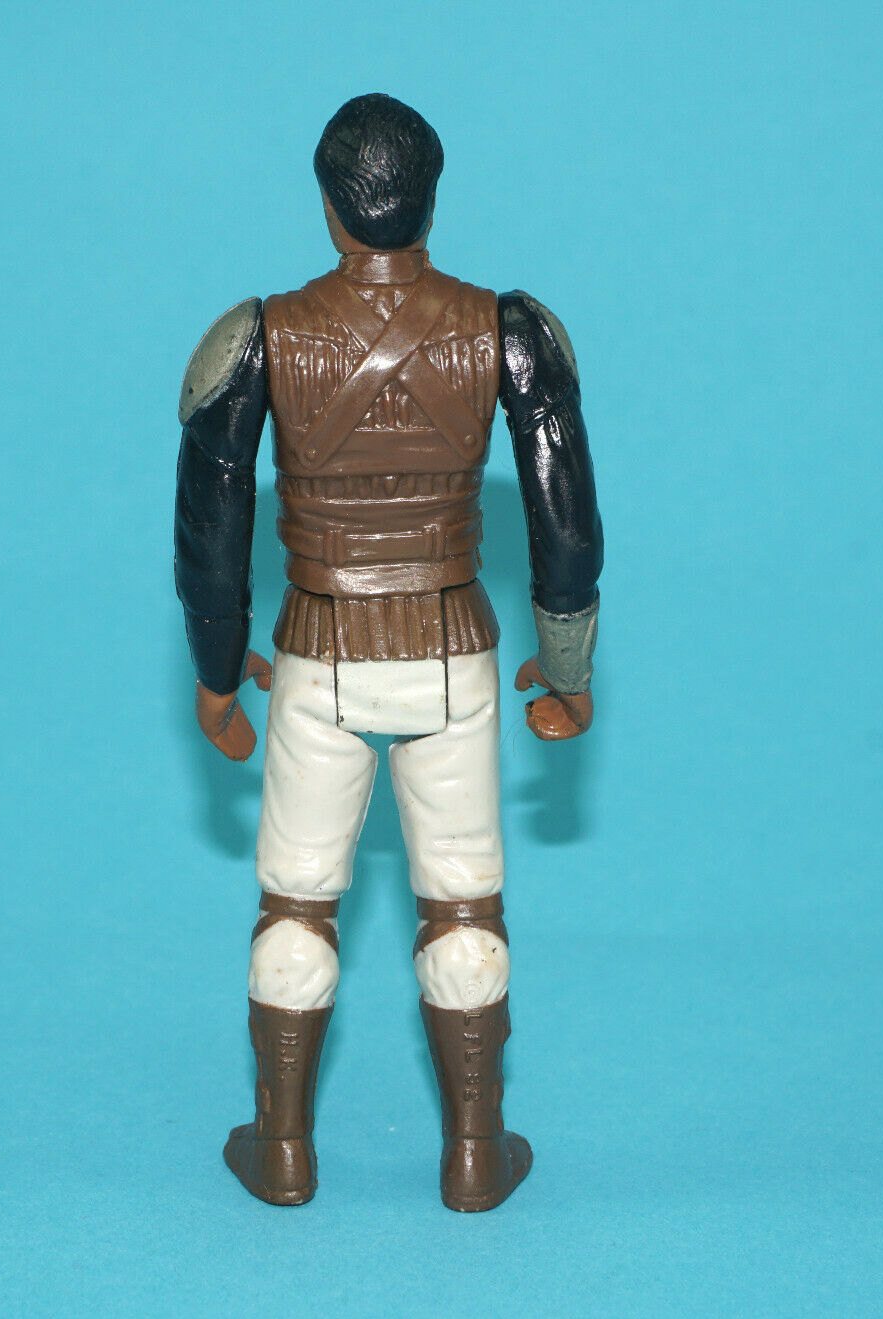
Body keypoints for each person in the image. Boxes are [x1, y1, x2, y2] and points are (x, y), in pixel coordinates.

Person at [174, 93, 602, 1211]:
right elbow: (564, 520)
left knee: (296, 906)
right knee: (463, 908)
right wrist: (567, 669)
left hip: (317, 656)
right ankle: (474, 1156)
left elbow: (212, 531)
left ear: (328, 207)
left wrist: (217, 678)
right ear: (430, 201)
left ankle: (282, 1150)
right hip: (454, 655)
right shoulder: (509, 332)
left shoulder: (258, 337)